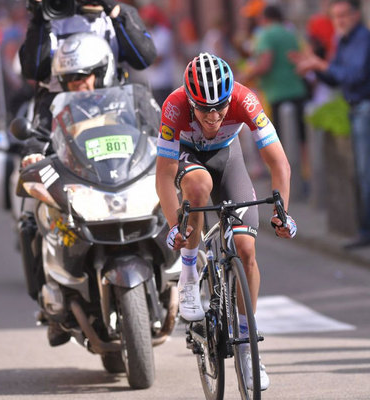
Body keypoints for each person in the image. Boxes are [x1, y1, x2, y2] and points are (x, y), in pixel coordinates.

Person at [155, 52, 297, 391]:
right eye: (204, 109)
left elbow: (280, 164)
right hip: (190, 162)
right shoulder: (173, 107)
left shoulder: (245, 100)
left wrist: (282, 212)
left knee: (247, 249)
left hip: (227, 159)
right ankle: (189, 274)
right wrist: (176, 224)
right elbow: (163, 176)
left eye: (220, 107)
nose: (214, 116)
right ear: (191, 102)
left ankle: (249, 351)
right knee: (199, 187)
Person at [20, 32, 117, 347]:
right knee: (32, 221)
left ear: (100, 72)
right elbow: (36, 134)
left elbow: (148, 127)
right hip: (76, 181)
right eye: (70, 77)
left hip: (118, 178)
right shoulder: (50, 103)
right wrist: (34, 151)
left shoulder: (121, 95)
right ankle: (52, 309)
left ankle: (191, 274)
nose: (78, 82)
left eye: (83, 75)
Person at [290, 0, 370, 248]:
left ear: (356, 15)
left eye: (344, 15)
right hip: (355, 110)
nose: (340, 21)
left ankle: (366, 232)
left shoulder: (362, 40)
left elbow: (354, 76)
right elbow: (336, 77)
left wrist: (320, 65)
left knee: (365, 175)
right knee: (360, 175)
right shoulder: (344, 40)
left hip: (365, 109)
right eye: (336, 17)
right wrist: (316, 67)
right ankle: (364, 231)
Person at [19, 0, 156, 131]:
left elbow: (143, 59)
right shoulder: (48, 18)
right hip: (59, 118)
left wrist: (115, 11)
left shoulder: (111, 17)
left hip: (111, 111)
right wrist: (39, 17)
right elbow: (33, 71)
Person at [241, 5, 308, 149]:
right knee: (301, 137)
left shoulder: (266, 35)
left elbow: (265, 64)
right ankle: (306, 169)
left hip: (277, 93)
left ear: (264, 18)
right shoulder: (290, 33)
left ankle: (289, 169)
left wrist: (246, 76)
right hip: (297, 88)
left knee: (282, 139)